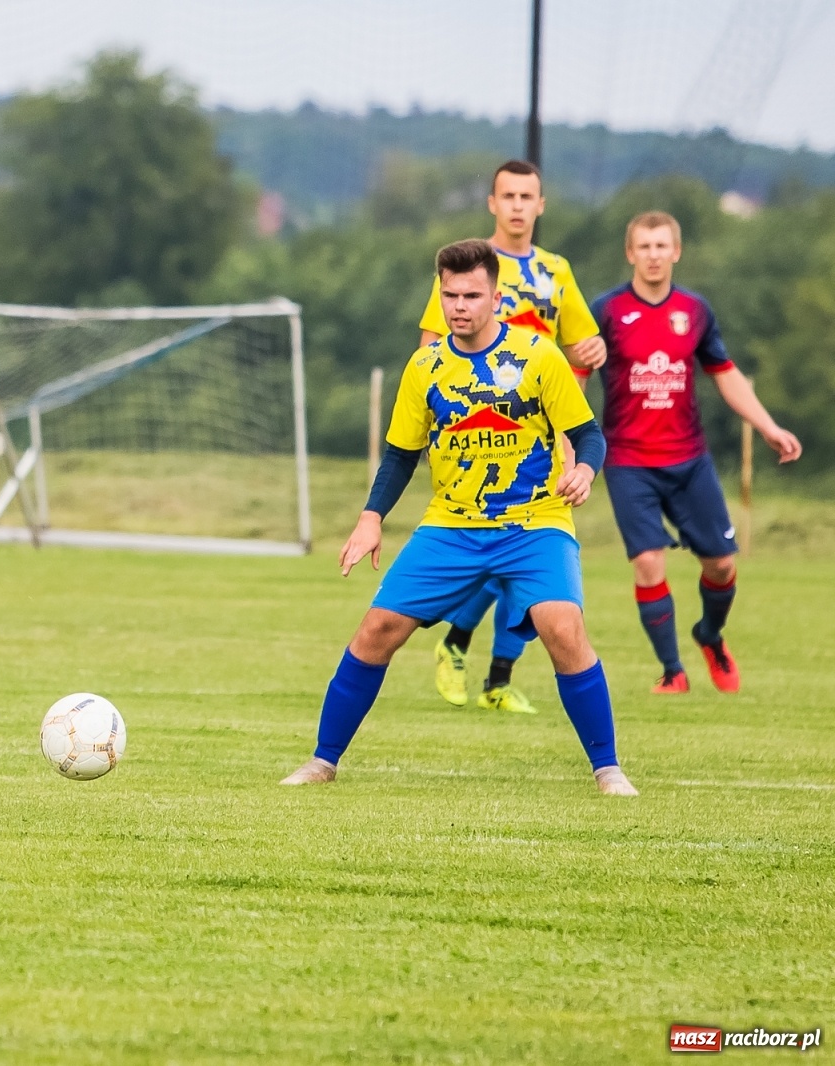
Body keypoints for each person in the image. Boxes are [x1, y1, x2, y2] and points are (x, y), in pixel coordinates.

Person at [282, 239, 637, 797]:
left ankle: (608, 769)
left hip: (534, 523)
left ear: (496, 295)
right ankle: (322, 761)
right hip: (451, 525)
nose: (460, 306)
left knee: (562, 626)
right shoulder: (425, 367)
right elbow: (401, 454)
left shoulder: (538, 356)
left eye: (472, 294)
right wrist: (371, 518)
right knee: (376, 630)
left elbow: (590, 434)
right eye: (450, 295)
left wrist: (587, 471)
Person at [417, 160, 607, 715]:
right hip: (481, 430)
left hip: (544, 436)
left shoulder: (556, 271)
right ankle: (459, 647)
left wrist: (589, 352)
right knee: (497, 550)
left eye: (528, 195)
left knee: (526, 560)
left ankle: (493, 676)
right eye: (509, 195)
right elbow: (431, 348)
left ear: (541, 205)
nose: (519, 205)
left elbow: (581, 349)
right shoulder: (470, 269)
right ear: (492, 204)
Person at [590, 211, 801, 693]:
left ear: (676, 251)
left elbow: (724, 373)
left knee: (722, 564)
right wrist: (566, 441)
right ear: (630, 253)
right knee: (648, 561)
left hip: (688, 459)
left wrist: (767, 425)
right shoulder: (605, 311)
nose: (653, 255)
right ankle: (673, 672)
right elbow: (575, 374)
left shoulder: (696, 311)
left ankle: (709, 634)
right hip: (628, 461)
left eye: (662, 246)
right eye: (644, 246)